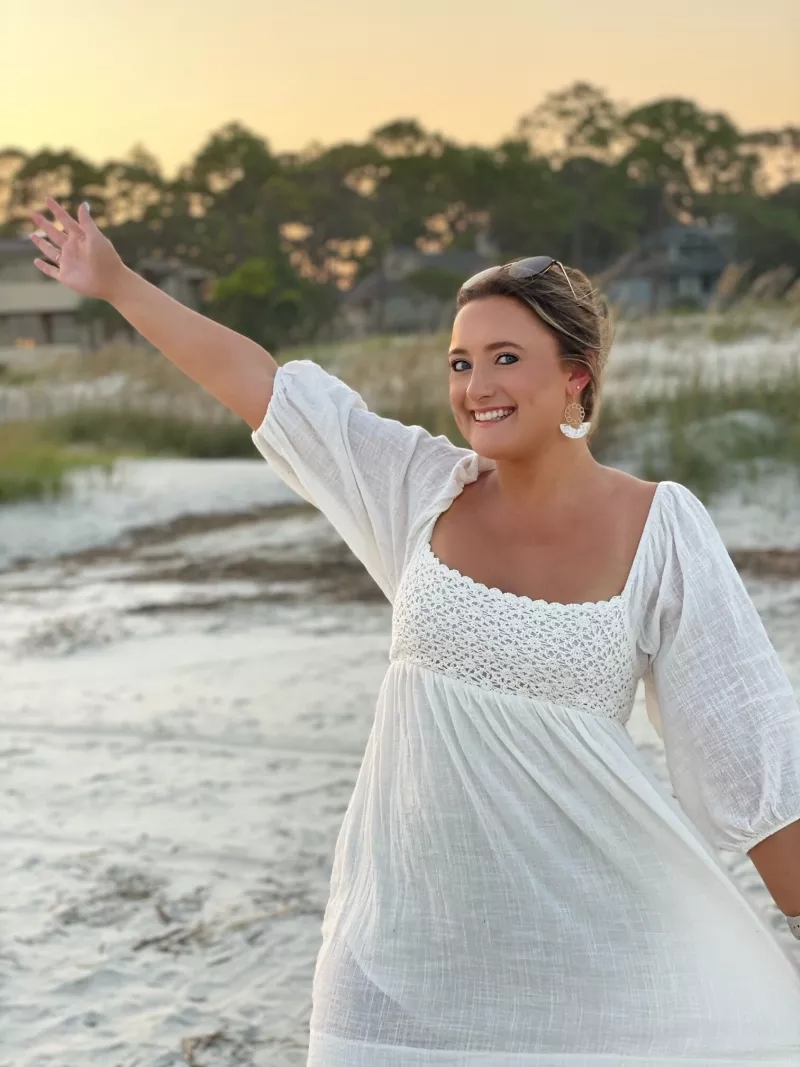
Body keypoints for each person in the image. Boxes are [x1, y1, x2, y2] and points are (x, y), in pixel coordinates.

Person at [30, 197, 800, 1066]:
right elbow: (261, 386)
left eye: (506, 358)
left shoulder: (661, 527)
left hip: (595, 959)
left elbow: (752, 748)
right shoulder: (417, 490)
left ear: (577, 375)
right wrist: (120, 284)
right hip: (402, 966)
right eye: (461, 362)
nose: (477, 388)